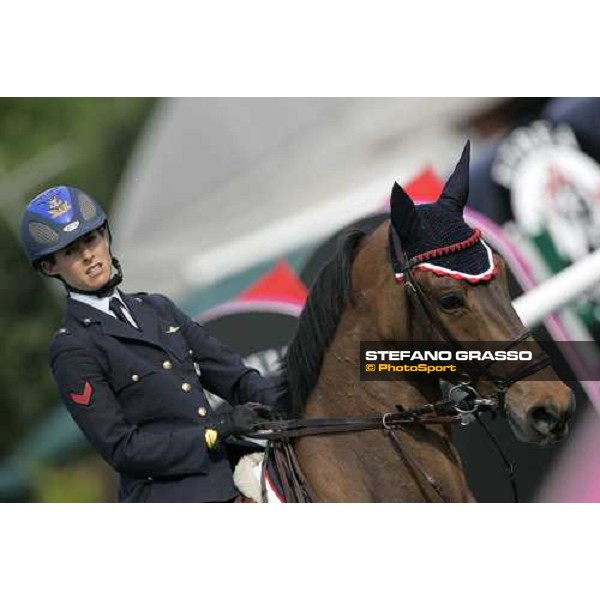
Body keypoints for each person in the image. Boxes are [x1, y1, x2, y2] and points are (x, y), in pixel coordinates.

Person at [20, 185, 277, 502]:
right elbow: (123, 448)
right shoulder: (73, 348)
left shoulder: (157, 308)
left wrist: (291, 403)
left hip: (230, 469)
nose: (89, 255)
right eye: (71, 251)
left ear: (105, 236)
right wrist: (213, 433)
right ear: (50, 267)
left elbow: (235, 377)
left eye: (91, 239)